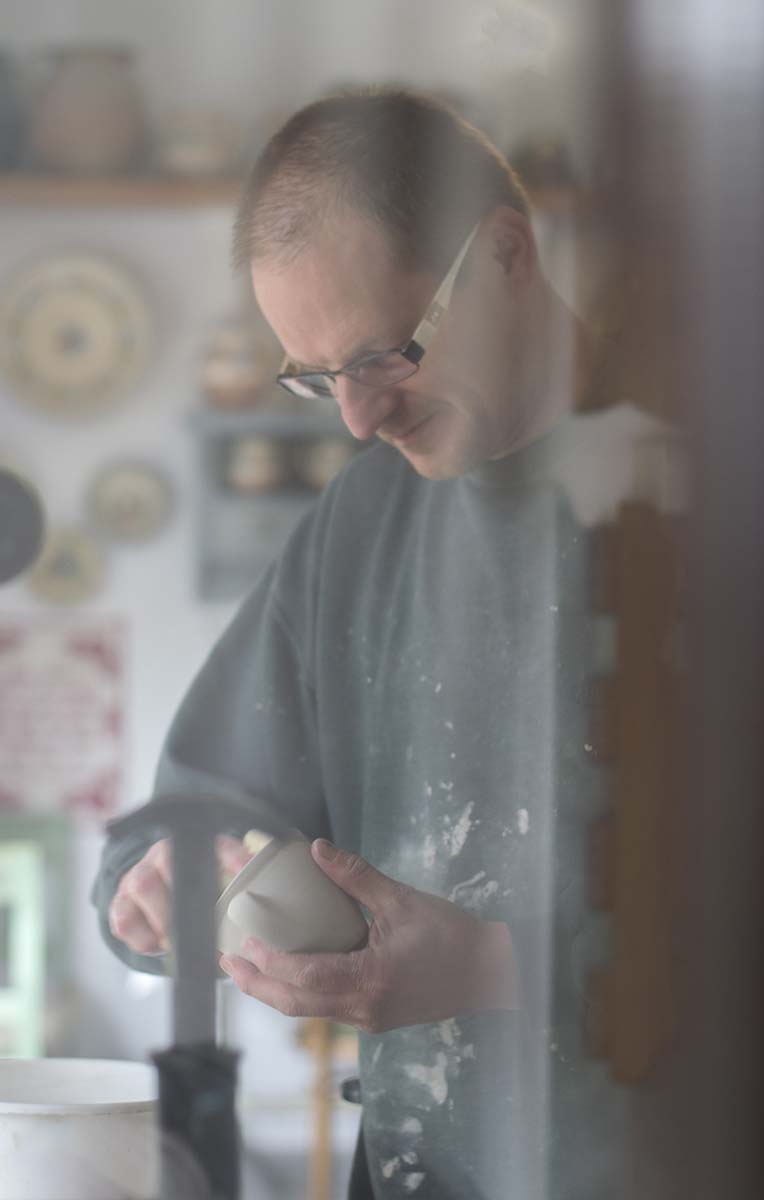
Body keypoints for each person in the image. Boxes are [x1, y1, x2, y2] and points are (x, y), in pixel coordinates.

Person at [93, 89, 652, 1199]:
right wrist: (163, 899)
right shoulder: (360, 526)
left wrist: (497, 969)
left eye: (384, 356)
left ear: (504, 255)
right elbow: (187, 826)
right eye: (315, 377)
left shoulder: (717, 479)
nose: (356, 417)